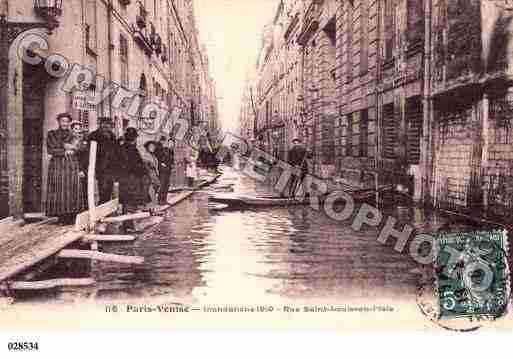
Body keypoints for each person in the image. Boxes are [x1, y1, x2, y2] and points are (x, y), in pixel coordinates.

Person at [46, 113, 86, 224]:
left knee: (72, 189)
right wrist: (65, 150)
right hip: (57, 165)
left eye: (67, 121)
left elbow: (81, 148)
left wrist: (74, 147)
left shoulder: (73, 134)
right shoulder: (52, 134)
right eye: (62, 121)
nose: (64, 123)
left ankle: (72, 215)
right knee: (59, 190)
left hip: (72, 164)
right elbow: (50, 149)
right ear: (58, 122)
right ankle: (61, 217)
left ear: (69, 123)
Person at [118, 128, 149, 233]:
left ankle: (126, 224)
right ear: (134, 139)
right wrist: (144, 169)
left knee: (126, 202)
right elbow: (136, 165)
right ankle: (128, 225)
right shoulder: (132, 149)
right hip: (132, 179)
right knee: (130, 202)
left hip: (124, 178)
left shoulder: (121, 148)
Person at [87, 117, 120, 204]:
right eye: (104, 124)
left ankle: (106, 211)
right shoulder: (93, 135)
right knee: (102, 190)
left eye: (108, 124)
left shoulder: (112, 136)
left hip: (111, 168)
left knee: (109, 189)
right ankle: (100, 211)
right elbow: (90, 152)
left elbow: (115, 151)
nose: (106, 126)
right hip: (101, 167)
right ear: (100, 124)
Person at [71, 121, 90, 204]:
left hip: (82, 169)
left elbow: (84, 157)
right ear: (72, 130)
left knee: (83, 188)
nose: (78, 131)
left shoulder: (84, 142)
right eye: (75, 129)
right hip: (71, 168)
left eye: (79, 129)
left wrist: (81, 169)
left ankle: (84, 208)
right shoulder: (69, 141)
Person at [157, 137, 175, 205]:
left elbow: (172, 160)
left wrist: (172, 165)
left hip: (168, 169)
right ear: (168, 143)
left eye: (173, 143)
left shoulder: (171, 151)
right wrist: (162, 164)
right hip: (163, 170)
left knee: (167, 185)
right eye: (170, 142)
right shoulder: (164, 149)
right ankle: (160, 200)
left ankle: (164, 199)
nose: (171, 144)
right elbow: (159, 158)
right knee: (162, 184)